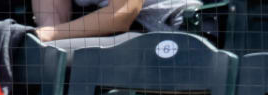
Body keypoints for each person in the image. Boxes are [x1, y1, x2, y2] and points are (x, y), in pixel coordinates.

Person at [33, 0, 203, 42]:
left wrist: (46, 34)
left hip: (170, 28)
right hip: (106, 29)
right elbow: (50, 27)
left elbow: (121, 15)